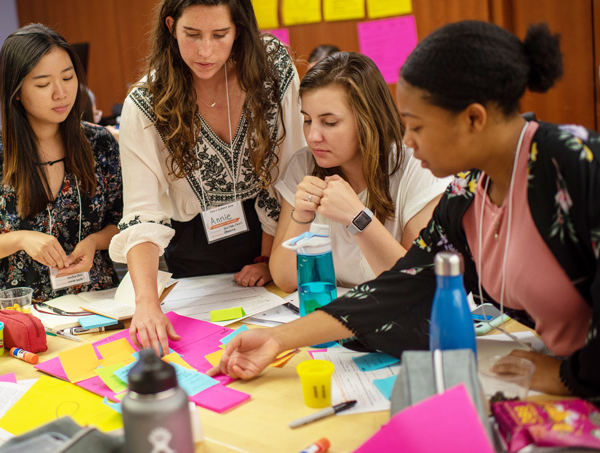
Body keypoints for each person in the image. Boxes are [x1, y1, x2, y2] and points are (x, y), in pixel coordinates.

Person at [211, 21, 600, 401]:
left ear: (473, 119)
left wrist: (568, 376)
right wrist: (277, 338)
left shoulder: (577, 167)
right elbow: (403, 284)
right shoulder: (467, 192)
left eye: (417, 126)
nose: (408, 142)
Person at [108, 0, 306, 355]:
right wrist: (147, 303)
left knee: (280, 345)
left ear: (240, 29)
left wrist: (269, 257)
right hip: (195, 244)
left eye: (219, 35)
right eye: (192, 34)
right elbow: (142, 214)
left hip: (276, 236)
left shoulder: (272, 69)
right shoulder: (147, 104)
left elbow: (293, 167)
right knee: (207, 349)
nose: (205, 51)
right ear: (170, 26)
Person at [0, 24, 123, 308]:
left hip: (99, 304)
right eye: (43, 84)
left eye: (68, 77)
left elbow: (124, 221)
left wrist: (94, 242)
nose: (61, 93)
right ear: (16, 91)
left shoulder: (99, 143)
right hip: (24, 315)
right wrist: (20, 240)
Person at [270, 52, 450, 292]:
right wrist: (301, 218)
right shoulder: (303, 165)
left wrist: (358, 217)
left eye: (330, 123)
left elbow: (416, 283)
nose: (313, 137)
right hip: (340, 314)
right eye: (307, 120)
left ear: (367, 119)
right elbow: (285, 280)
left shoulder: (418, 166)